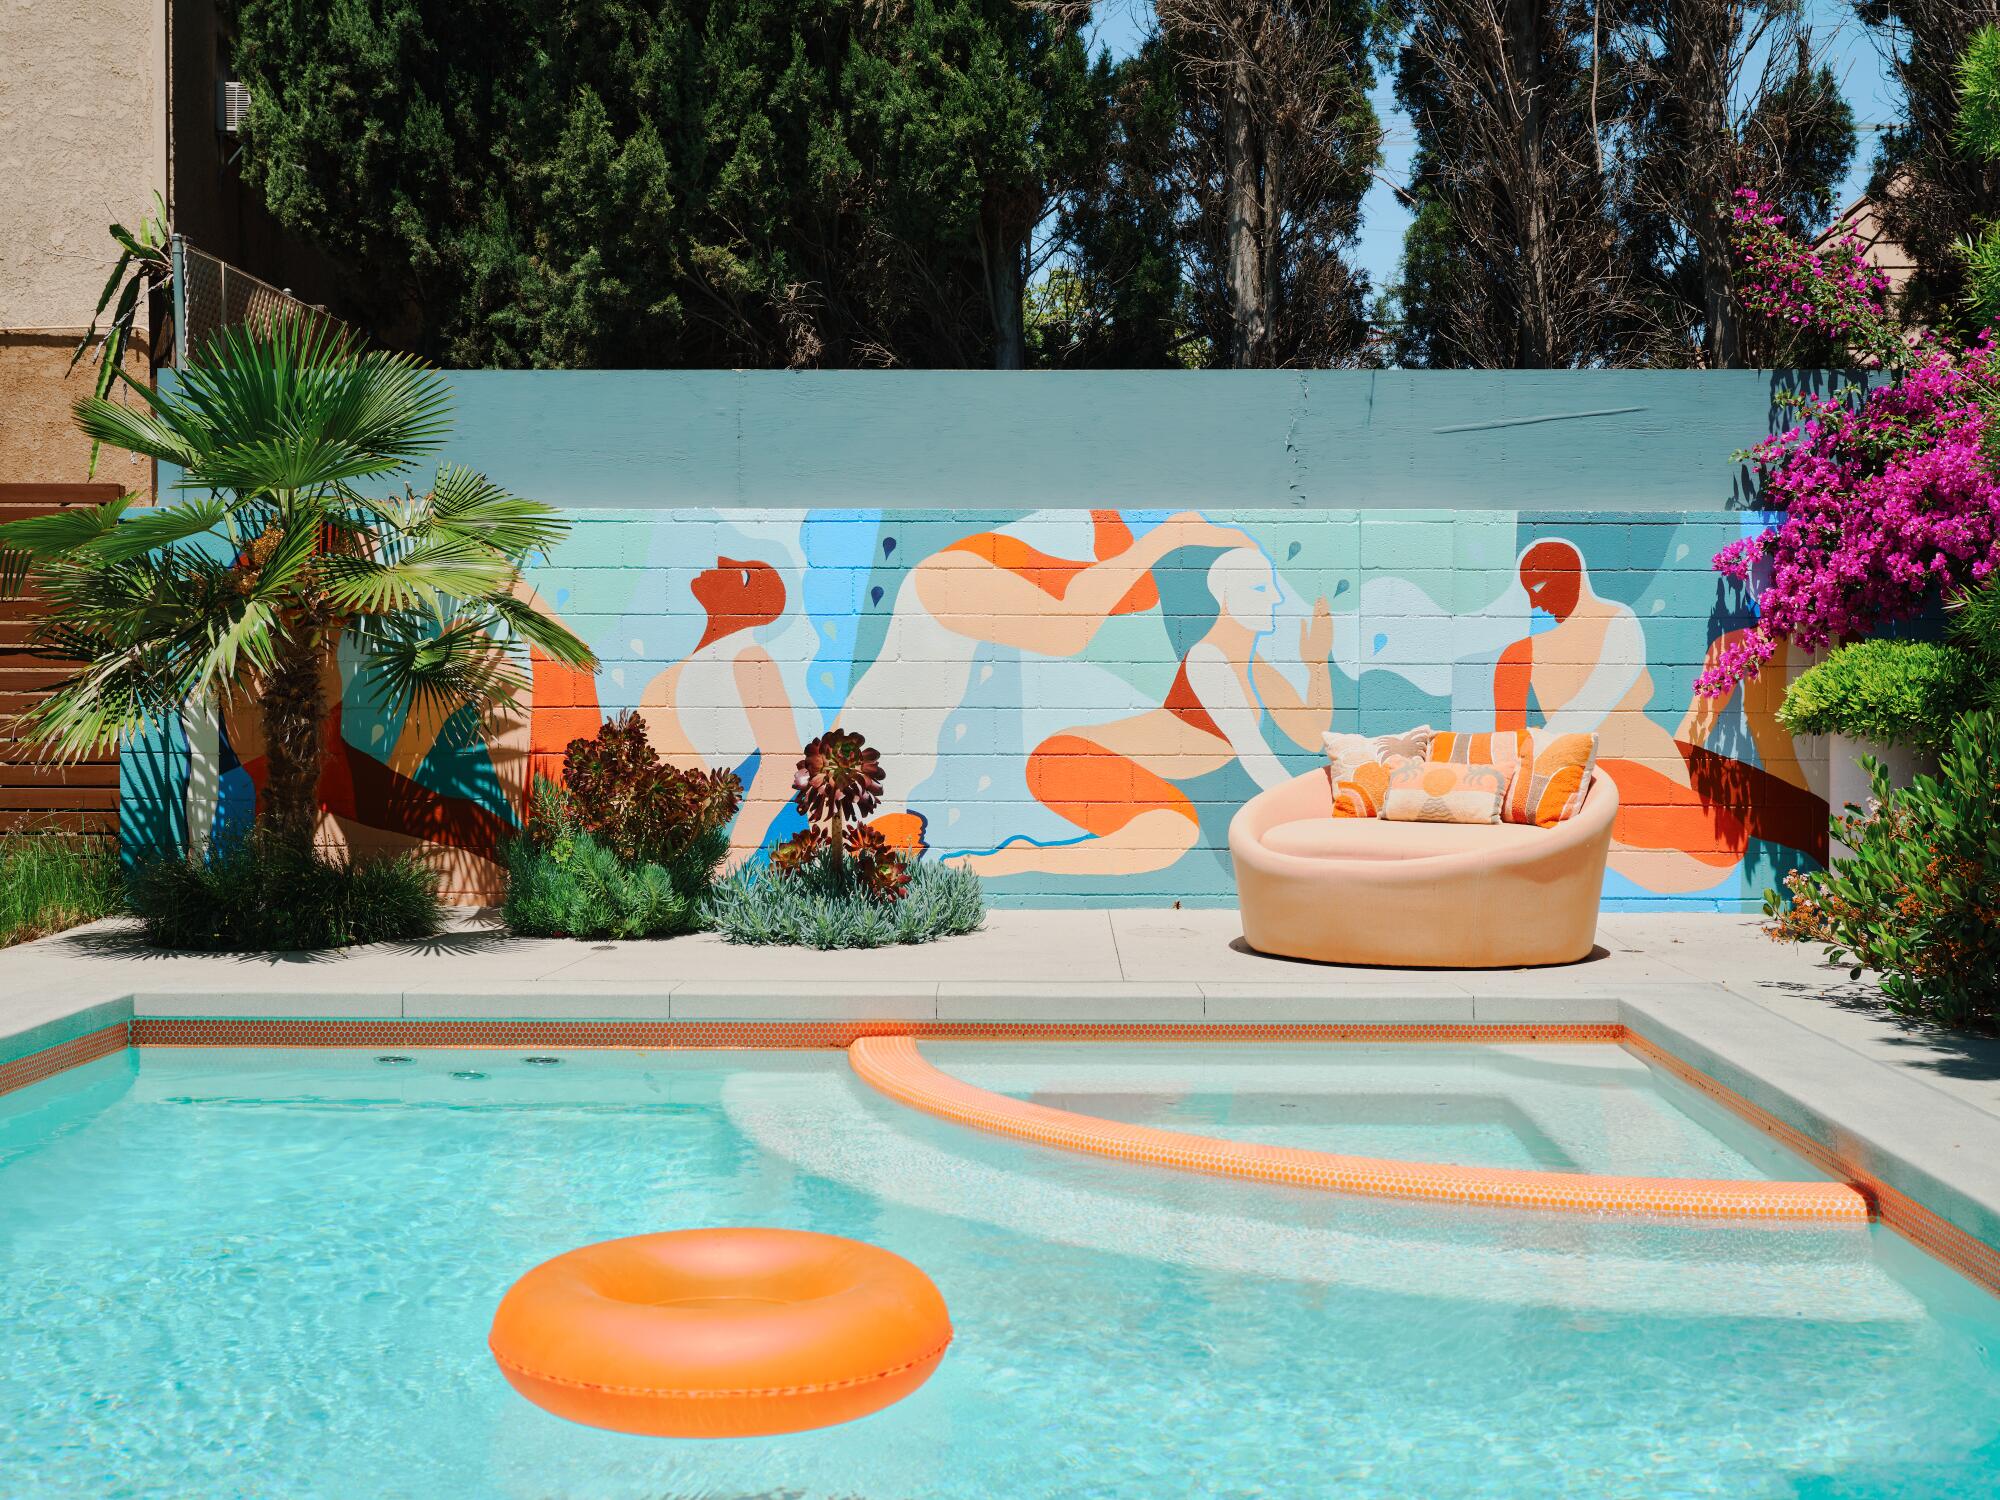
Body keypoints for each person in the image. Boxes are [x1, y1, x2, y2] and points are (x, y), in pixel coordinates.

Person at [840, 510, 1256, 851]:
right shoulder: (893, 798)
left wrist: (1162, 537)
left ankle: (1158, 527)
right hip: (960, 581)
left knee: (1086, 613)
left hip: (947, 588)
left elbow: (1087, 617)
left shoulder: (864, 800)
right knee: (1120, 595)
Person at [964, 547, 1333, 877]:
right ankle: (1022, 858)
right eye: (1259, 588)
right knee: (1172, 832)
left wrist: (1317, 662)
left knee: (1168, 830)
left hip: (1114, 767)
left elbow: (1312, 732)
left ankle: (1026, 855)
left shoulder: (1257, 670)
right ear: (1225, 597)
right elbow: (1256, 755)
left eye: (1272, 586)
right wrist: (1320, 814)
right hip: (1071, 758)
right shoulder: (1208, 662)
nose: (1277, 596)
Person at [1493, 539, 1826, 892]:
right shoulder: (1520, 656)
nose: (1537, 603)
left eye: (1542, 587)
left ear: (1574, 575)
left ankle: (1864, 880)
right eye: (1530, 592)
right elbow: (1508, 744)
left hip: (1667, 755)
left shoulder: (1617, 623)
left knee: (1797, 812)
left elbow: (1602, 692)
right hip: (1608, 772)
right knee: (1726, 844)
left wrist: (1545, 738)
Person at [636, 557, 806, 856]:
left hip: (688, 847)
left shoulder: (749, 658)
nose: (719, 562)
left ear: (747, 601)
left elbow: (783, 761)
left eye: (738, 571)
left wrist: (731, 857)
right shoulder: (704, 660)